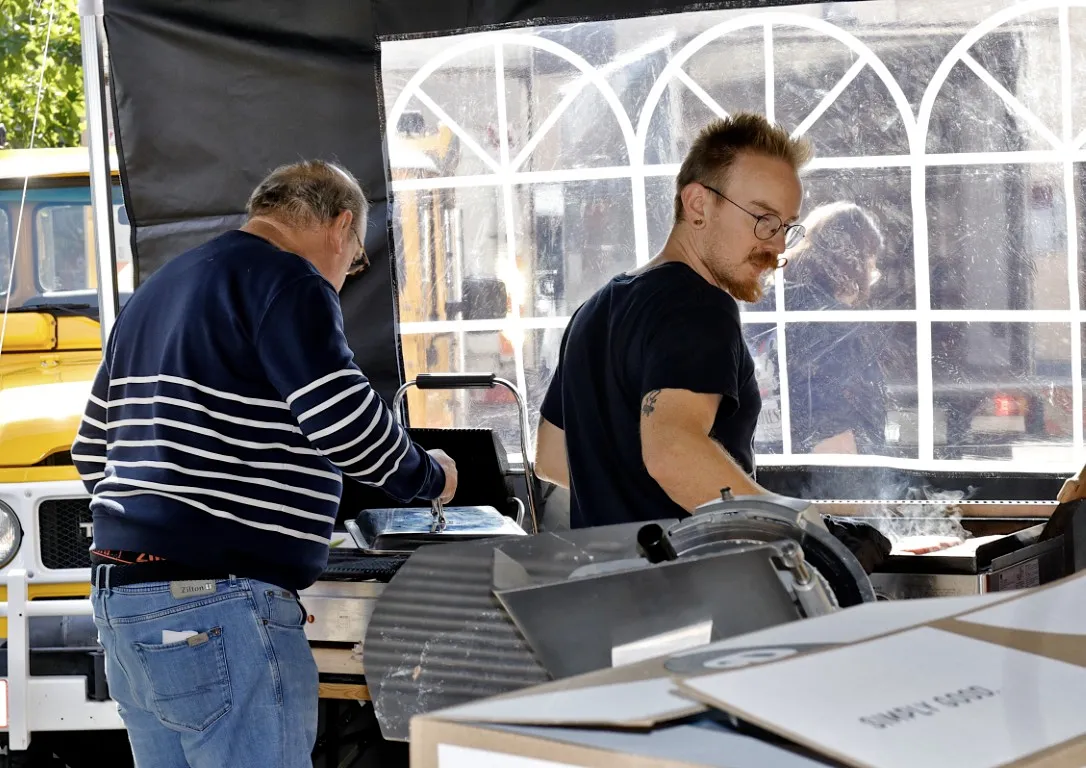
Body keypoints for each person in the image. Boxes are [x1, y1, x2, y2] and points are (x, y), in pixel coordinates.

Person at [71, 160, 457, 768]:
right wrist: (430, 474)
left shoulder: (157, 290)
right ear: (342, 227)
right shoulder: (289, 281)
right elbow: (345, 424)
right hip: (215, 601)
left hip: (123, 605)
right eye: (355, 261)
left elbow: (92, 451)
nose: (345, 276)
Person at [535, 113, 811, 528]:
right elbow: (672, 455)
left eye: (786, 227)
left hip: (604, 584)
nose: (776, 246)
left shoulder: (596, 310)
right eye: (762, 219)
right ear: (698, 204)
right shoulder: (701, 306)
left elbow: (553, 457)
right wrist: (806, 527)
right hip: (690, 584)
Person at [783, 201, 888, 455]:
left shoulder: (772, 306)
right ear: (852, 264)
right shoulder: (834, 326)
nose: (868, 282)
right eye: (870, 268)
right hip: (828, 479)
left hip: (774, 469)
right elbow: (832, 427)